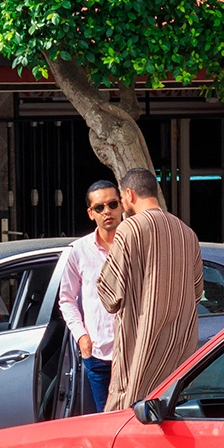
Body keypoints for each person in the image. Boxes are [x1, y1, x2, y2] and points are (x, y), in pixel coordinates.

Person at [97, 167, 203, 412]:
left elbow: (109, 294)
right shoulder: (187, 233)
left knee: (126, 420)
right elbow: (197, 292)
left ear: (130, 194)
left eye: (121, 199)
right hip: (179, 360)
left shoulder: (130, 229)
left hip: (139, 354)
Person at [57, 181, 123, 412]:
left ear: (122, 206)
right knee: (106, 420)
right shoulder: (79, 251)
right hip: (98, 353)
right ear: (90, 213)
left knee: (136, 421)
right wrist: (82, 337)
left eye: (112, 204)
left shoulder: (136, 245)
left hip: (134, 352)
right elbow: (66, 299)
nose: (107, 211)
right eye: (99, 207)